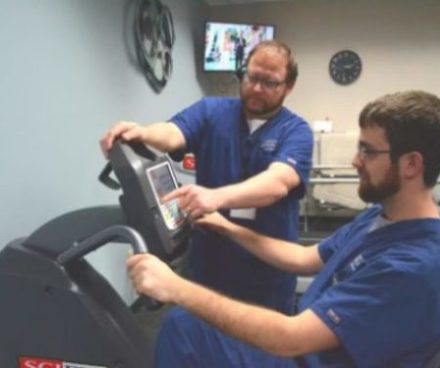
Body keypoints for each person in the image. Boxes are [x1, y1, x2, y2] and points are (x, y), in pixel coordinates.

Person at [127, 90, 440, 367]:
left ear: (411, 164)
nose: (355, 161)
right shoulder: (382, 218)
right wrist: (223, 226)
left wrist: (174, 287)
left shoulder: (412, 268)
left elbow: (290, 337)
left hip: (304, 350)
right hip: (311, 343)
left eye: (367, 151)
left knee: (182, 328)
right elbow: (304, 257)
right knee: (192, 324)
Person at [101, 40, 313, 313]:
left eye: (270, 82)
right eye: (251, 76)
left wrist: (215, 197)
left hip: (266, 273)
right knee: (200, 342)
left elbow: (279, 182)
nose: (257, 88)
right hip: (209, 267)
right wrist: (143, 132)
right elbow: (173, 132)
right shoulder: (212, 112)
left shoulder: (296, 131)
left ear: (289, 86)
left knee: (261, 350)